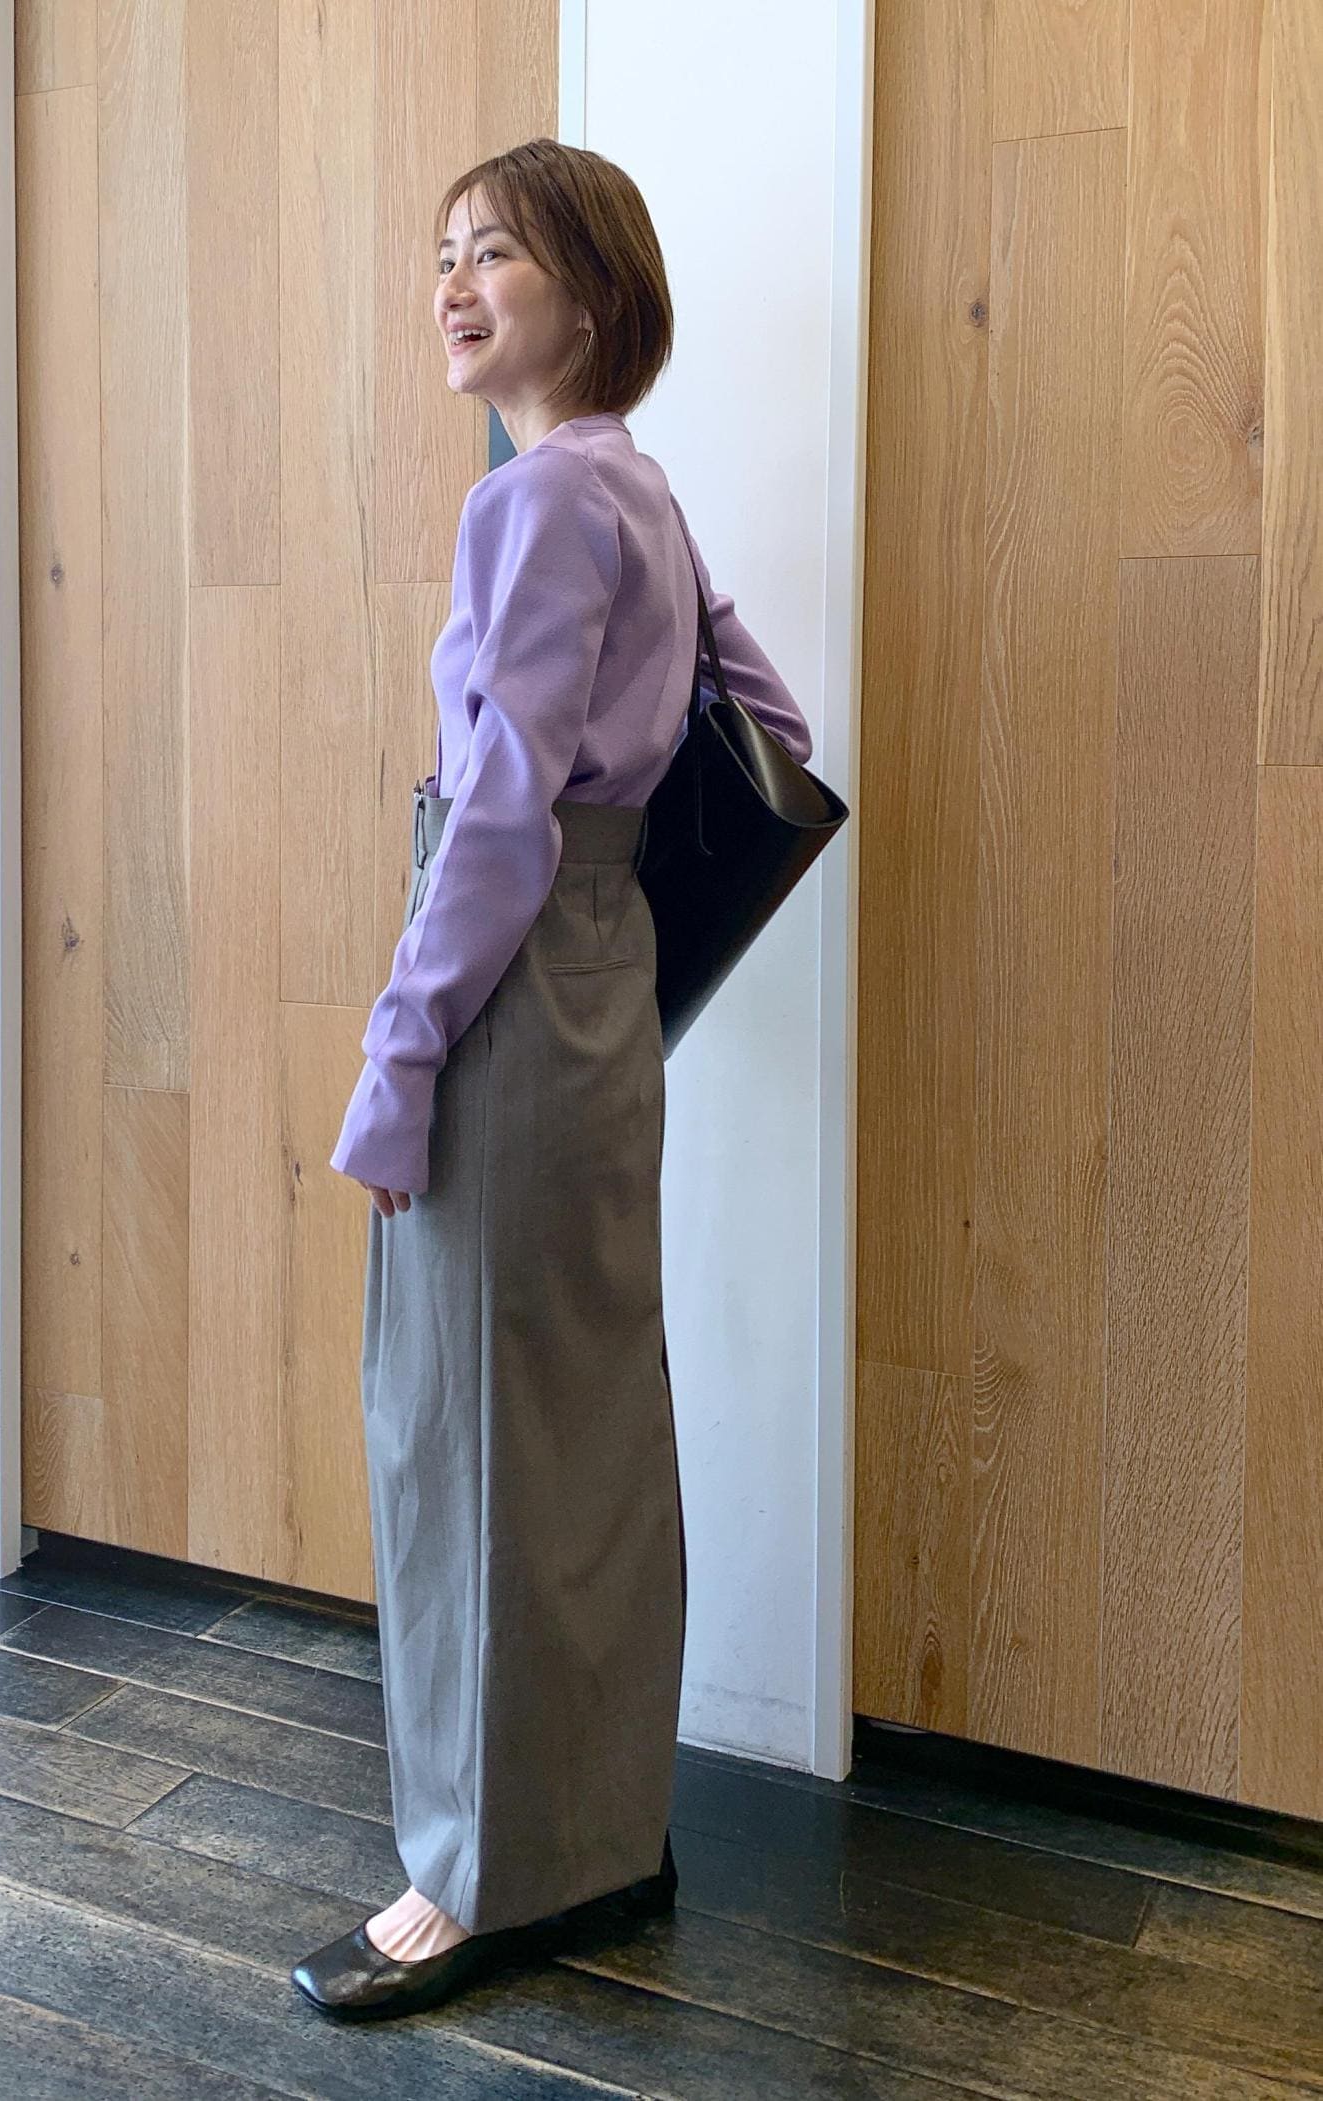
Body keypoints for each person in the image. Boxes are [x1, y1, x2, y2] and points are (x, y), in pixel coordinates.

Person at [291, 138, 813, 2024]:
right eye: (442, 253)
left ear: (589, 296)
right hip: (608, 982)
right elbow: (774, 728)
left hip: (511, 982)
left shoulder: (527, 504)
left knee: (463, 1433)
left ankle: (477, 1878)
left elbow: (498, 819)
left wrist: (397, 1057)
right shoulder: (638, 491)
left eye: (494, 253)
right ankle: (605, 1838)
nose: (452, 284)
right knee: (586, 1421)